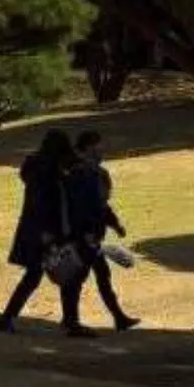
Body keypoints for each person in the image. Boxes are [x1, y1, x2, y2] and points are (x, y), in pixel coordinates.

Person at [0, 130, 96, 337]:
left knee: (39, 276)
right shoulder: (46, 172)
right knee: (67, 275)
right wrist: (49, 232)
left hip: (39, 231)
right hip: (48, 232)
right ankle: (70, 322)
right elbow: (44, 204)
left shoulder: (39, 169)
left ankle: (8, 318)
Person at [69, 131, 140, 332]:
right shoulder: (82, 173)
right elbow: (83, 206)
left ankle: (118, 318)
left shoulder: (95, 172)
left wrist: (115, 225)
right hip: (84, 235)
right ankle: (74, 321)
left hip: (90, 235)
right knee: (82, 277)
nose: (103, 150)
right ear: (89, 148)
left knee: (95, 276)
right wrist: (87, 232)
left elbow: (101, 205)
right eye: (99, 146)